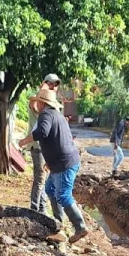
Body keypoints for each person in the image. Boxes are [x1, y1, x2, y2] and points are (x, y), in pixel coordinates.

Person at [19, 84, 88, 243]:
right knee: (50, 189)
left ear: (42, 103)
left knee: (63, 195)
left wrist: (24, 140)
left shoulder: (46, 115)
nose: (35, 105)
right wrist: (50, 163)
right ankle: (58, 226)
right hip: (60, 163)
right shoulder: (56, 115)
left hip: (64, 164)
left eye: (37, 102)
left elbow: (42, 132)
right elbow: (59, 140)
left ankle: (80, 227)